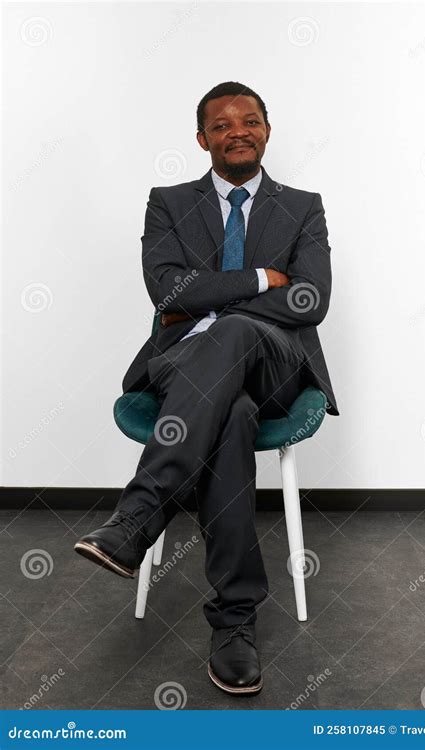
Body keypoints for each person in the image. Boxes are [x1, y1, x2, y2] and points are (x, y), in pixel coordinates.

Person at [74, 81, 339, 695]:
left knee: (238, 334)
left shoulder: (303, 206)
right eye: (222, 125)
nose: (237, 131)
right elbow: (165, 292)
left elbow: (311, 298)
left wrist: (216, 299)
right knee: (232, 412)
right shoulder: (168, 201)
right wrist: (257, 278)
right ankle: (234, 621)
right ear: (203, 140)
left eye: (249, 121)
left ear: (268, 131)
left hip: (274, 366)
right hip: (183, 369)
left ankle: (139, 515)